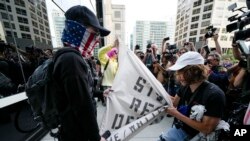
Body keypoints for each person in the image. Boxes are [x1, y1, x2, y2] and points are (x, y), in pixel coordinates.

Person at [53, 5, 110, 141]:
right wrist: (96, 138)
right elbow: (82, 105)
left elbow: (79, 91)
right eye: (94, 33)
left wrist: (100, 93)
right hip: (77, 135)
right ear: (78, 28)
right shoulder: (71, 59)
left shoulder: (72, 57)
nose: (96, 40)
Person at [158, 52, 226, 141]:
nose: (178, 76)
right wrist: (159, 92)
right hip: (180, 129)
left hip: (199, 136)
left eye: (182, 72)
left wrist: (176, 114)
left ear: (195, 71)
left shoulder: (214, 94)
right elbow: (174, 102)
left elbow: (207, 129)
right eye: (178, 72)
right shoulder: (185, 86)